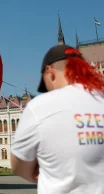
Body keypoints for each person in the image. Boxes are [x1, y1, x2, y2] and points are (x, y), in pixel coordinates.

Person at [10, 44, 104, 194]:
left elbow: (18, 165)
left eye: (45, 85)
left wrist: (43, 171)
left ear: (50, 72)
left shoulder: (39, 107)